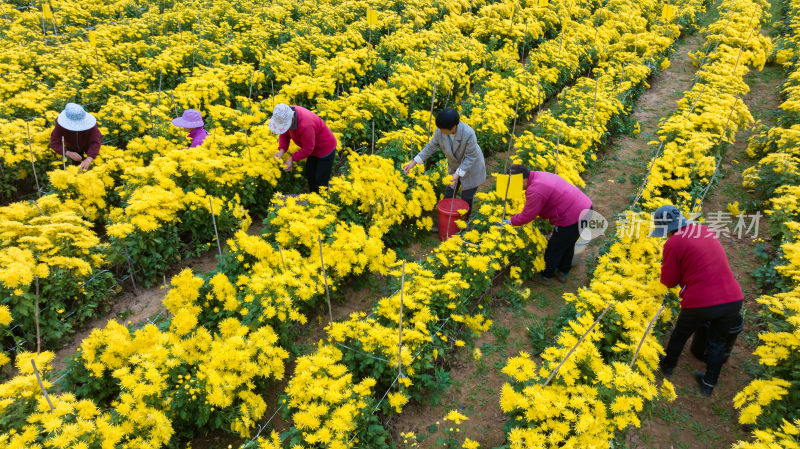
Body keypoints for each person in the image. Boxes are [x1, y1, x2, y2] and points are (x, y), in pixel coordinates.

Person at [652, 204, 744, 397]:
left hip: (702, 301)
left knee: (680, 333)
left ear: (667, 229)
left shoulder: (673, 243)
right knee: (718, 342)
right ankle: (708, 384)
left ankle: (668, 366)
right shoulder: (705, 230)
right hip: (733, 298)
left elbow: (668, 281)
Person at [500, 164, 592, 285]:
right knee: (568, 243)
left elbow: (527, 216)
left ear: (523, 179)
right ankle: (563, 272)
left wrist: (510, 221)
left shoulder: (535, 190)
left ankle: (546, 275)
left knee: (555, 247)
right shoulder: (537, 175)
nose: (512, 185)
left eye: (513, 182)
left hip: (573, 216)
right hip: (586, 208)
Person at [402, 108, 486, 224]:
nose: (440, 131)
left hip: (471, 167)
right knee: (449, 194)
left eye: (442, 129)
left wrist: (458, 174)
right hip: (454, 167)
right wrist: (414, 162)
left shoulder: (468, 133)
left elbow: (471, 157)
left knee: (466, 197)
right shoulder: (440, 131)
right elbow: (431, 147)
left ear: (454, 126)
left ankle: (463, 224)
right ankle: (444, 222)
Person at [270, 103, 337, 193]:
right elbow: (284, 133)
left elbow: (308, 148)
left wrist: (292, 159)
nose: (285, 128)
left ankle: (323, 202)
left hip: (325, 148)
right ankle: (313, 198)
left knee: (320, 180)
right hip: (313, 149)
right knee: (310, 174)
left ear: (292, 119)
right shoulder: (288, 114)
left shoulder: (306, 125)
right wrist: (282, 150)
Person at [50, 103, 101, 170]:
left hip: (89, 148)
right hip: (71, 147)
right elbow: (54, 142)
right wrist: (67, 153)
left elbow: (95, 142)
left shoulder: (91, 125)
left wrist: (89, 158)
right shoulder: (60, 125)